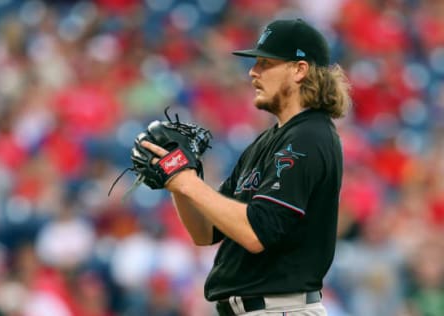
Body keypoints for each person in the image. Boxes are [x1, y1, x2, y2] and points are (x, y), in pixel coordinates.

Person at [141, 18, 351, 316]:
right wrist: (176, 180)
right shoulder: (268, 140)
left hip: (280, 309)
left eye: (266, 63)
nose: (253, 71)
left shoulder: (309, 136)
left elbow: (256, 233)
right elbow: (207, 232)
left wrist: (188, 182)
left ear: (299, 70)